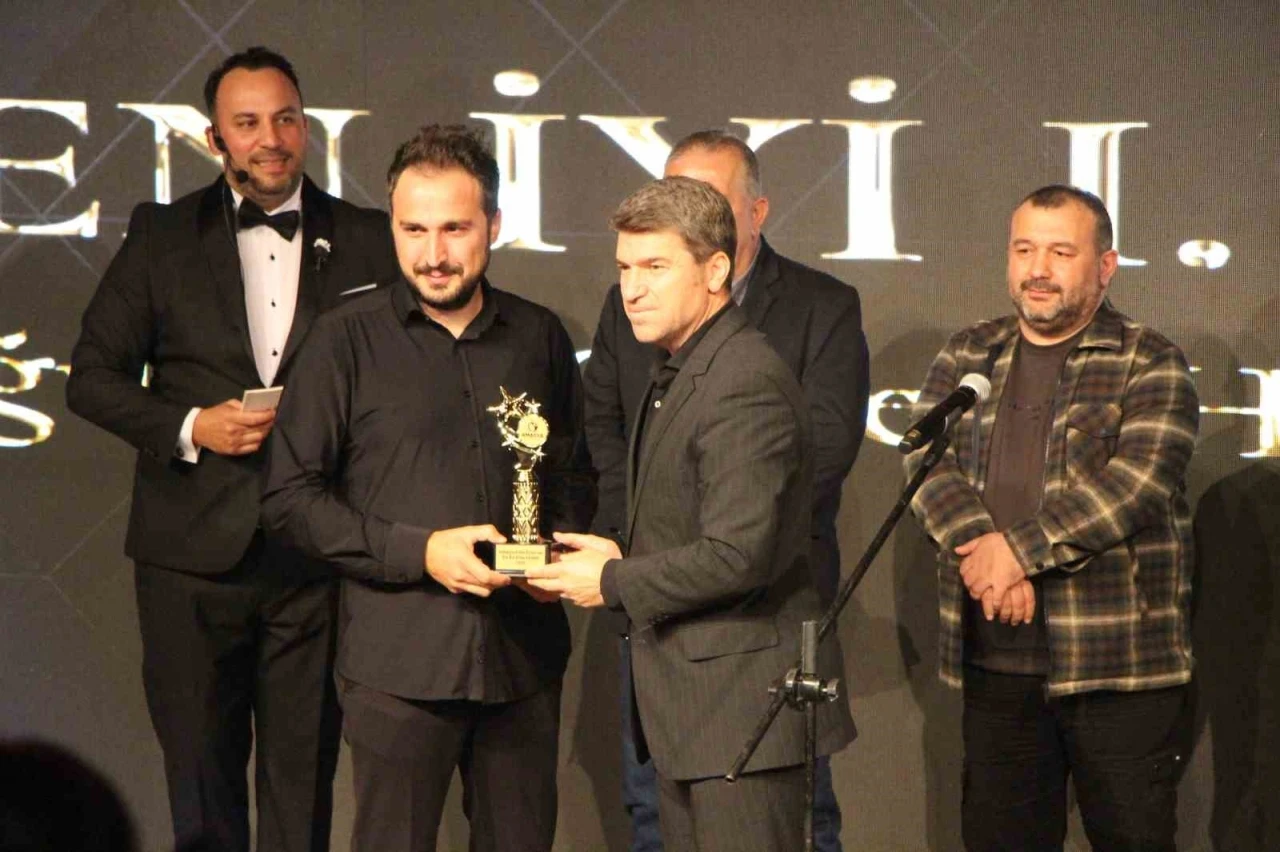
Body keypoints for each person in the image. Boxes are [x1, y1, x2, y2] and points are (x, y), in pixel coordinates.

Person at [65, 46, 399, 852]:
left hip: (316, 559)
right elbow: (92, 379)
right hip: (189, 562)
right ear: (215, 140)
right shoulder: (162, 236)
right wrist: (192, 425)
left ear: (307, 127)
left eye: (285, 118)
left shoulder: (369, 239)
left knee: (303, 787)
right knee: (201, 788)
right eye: (247, 123)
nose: (270, 138)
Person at [260, 124, 596, 852]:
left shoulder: (539, 336)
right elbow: (289, 500)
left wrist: (555, 559)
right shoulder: (343, 339)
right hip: (396, 668)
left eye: (454, 229)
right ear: (393, 226)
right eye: (413, 230)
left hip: (523, 661)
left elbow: (571, 471)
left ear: (493, 226)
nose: (433, 254)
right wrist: (421, 552)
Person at [527, 176, 856, 852]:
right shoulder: (679, 369)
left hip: (741, 716)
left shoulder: (743, 381)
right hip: (693, 717)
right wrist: (613, 557)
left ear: (715, 271)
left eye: (655, 267)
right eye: (624, 268)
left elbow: (738, 555)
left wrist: (613, 580)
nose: (632, 289)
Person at [905, 185, 1198, 851]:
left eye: (1061, 253)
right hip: (995, 665)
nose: (1038, 269)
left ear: (1105, 266)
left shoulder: (1149, 360)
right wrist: (982, 549)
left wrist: (1016, 553)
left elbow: (1136, 485)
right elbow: (925, 458)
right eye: (1024, 250)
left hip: (1117, 669)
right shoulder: (969, 353)